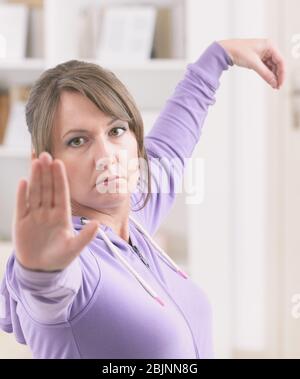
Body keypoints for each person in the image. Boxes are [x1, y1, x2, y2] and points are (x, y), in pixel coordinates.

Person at [0, 39, 285, 359]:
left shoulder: (133, 215)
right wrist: (41, 268)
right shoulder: (77, 262)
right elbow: (47, 291)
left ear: (136, 140)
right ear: (45, 161)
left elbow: (170, 147)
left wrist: (219, 56)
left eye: (116, 131)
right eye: (77, 140)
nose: (106, 156)